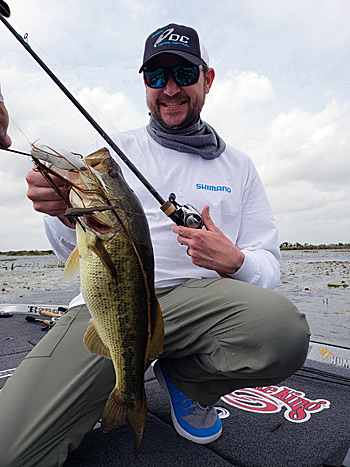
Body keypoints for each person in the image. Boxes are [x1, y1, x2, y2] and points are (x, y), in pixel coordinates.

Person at [0, 23, 310, 466]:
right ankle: (103, 391)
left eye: (183, 75)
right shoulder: (111, 152)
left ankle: (185, 378)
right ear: (144, 83)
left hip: (202, 305)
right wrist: (58, 212)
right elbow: (71, 245)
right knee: (9, 450)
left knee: (285, 332)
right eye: (156, 76)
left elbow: (269, 265)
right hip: (112, 308)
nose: (169, 89)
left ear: (208, 79)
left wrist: (237, 261)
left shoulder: (239, 166)